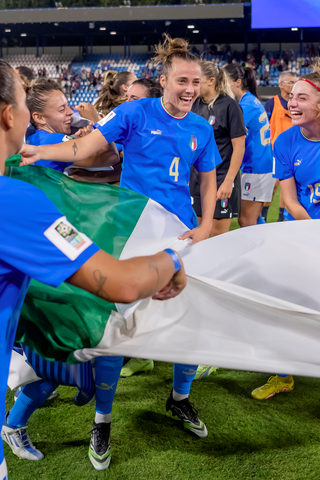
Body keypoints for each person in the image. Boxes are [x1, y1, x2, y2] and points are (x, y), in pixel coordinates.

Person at [20, 35, 221, 450]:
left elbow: (208, 181)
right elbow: (84, 147)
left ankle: (180, 398)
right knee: (117, 327)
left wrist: (204, 226)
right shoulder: (132, 112)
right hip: (130, 231)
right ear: (163, 80)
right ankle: (103, 418)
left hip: (180, 235)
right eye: (182, 80)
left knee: (189, 321)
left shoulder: (201, 126)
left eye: (196, 82)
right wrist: (40, 154)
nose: (189, 89)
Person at [0, 60, 187, 478]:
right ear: (9, 115)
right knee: (61, 373)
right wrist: (175, 259)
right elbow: (122, 283)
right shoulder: (18, 204)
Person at [250, 62, 320, 400]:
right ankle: (283, 375)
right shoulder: (286, 141)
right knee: (282, 301)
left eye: (301, 98)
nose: (291, 103)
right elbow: (290, 200)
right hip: (301, 232)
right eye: (291, 97)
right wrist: (312, 233)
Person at [189, 61, 246, 381]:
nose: (194, 87)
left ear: (212, 80)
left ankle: (218, 341)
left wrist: (229, 180)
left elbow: (239, 147)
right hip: (198, 181)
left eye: (199, 81)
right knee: (201, 247)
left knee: (218, 251)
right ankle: (202, 322)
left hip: (222, 180)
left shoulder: (229, 106)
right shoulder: (197, 105)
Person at [26, 78, 119, 173]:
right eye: (62, 109)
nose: (70, 112)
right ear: (39, 117)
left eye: (67, 106)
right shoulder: (55, 140)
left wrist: (79, 142)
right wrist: (96, 121)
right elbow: (111, 157)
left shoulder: (32, 138)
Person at [224, 63, 275, 227]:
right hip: (258, 165)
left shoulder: (245, 105)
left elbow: (225, 133)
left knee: (246, 220)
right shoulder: (250, 101)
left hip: (256, 168)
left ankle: (263, 251)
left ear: (237, 82)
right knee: (254, 219)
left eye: (224, 81)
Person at [261, 71, 297, 223]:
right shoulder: (271, 103)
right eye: (290, 82)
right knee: (272, 187)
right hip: (274, 152)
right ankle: (263, 215)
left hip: (294, 151)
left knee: (288, 189)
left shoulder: (297, 103)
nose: (293, 84)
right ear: (281, 84)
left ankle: (281, 218)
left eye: (295, 82)